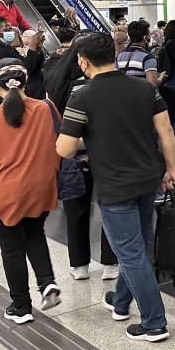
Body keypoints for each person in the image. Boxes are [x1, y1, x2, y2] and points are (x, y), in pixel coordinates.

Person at [57, 32, 175, 343]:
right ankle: (121, 301)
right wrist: (173, 168)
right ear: (114, 54)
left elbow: (65, 149)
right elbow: (165, 129)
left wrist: (89, 137)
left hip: (114, 185)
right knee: (136, 246)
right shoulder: (144, 87)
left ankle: (154, 322)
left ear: (83, 61)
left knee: (130, 253)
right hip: (148, 178)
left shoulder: (81, 95)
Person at [0, 60, 62, 323]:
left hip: (4, 194)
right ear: (25, 82)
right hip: (41, 189)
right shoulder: (45, 109)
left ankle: (21, 307)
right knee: (34, 234)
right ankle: (47, 282)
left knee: (11, 248)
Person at [45, 38, 118, 282]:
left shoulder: (58, 82)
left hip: (72, 156)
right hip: (106, 153)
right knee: (109, 207)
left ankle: (79, 265)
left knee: (75, 211)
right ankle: (111, 262)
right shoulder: (101, 84)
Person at [0, 15, 44, 111]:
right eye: (7, 29)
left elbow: (33, 68)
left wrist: (38, 49)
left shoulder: (8, 48)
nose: (11, 32)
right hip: (7, 103)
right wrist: (32, 47)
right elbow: (23, 71)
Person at [116, 20, 160, 86]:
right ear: (145, 37)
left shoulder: (120, 56)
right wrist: (161, 78)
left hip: (124, 93)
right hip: (141, 94)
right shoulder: (148, 58)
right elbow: (152, 84)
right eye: (149, 35)